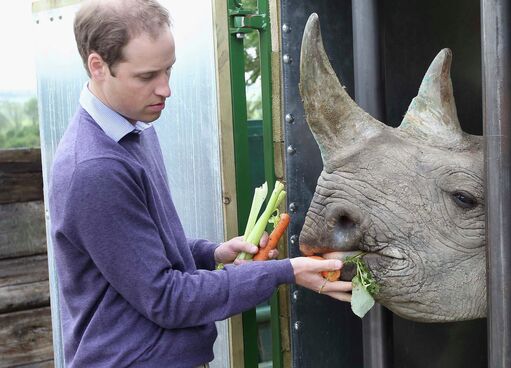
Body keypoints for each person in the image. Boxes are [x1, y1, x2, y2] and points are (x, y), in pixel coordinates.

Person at [48, 0, 352, 367]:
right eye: (147, 76)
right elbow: (165, 298)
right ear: (98, 66)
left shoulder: (133, 128)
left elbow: (139, 251)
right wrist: (284, 271)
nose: (166, 89)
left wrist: (212, 253)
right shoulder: (95, 169)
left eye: (169, 70)